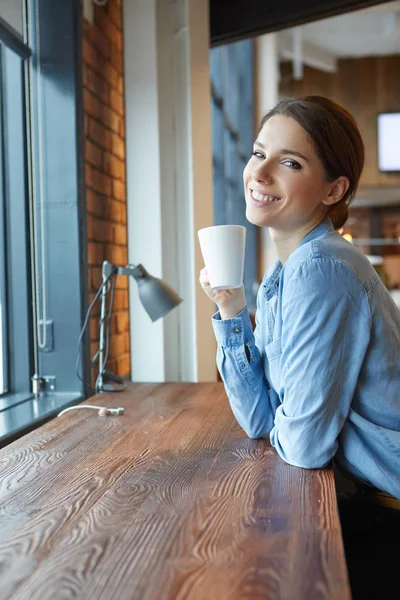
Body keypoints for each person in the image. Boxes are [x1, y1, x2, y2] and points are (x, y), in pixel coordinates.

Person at [199, 96, 400, 598]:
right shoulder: (284, 275)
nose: (260, 172)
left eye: (290, 162)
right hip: (359, 498)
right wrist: (230, 307)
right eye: (257, 152)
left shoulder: (322, 269)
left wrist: (289, 419)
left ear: (334, 189)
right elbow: (261, 420)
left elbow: (305, 446)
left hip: (386, 510)